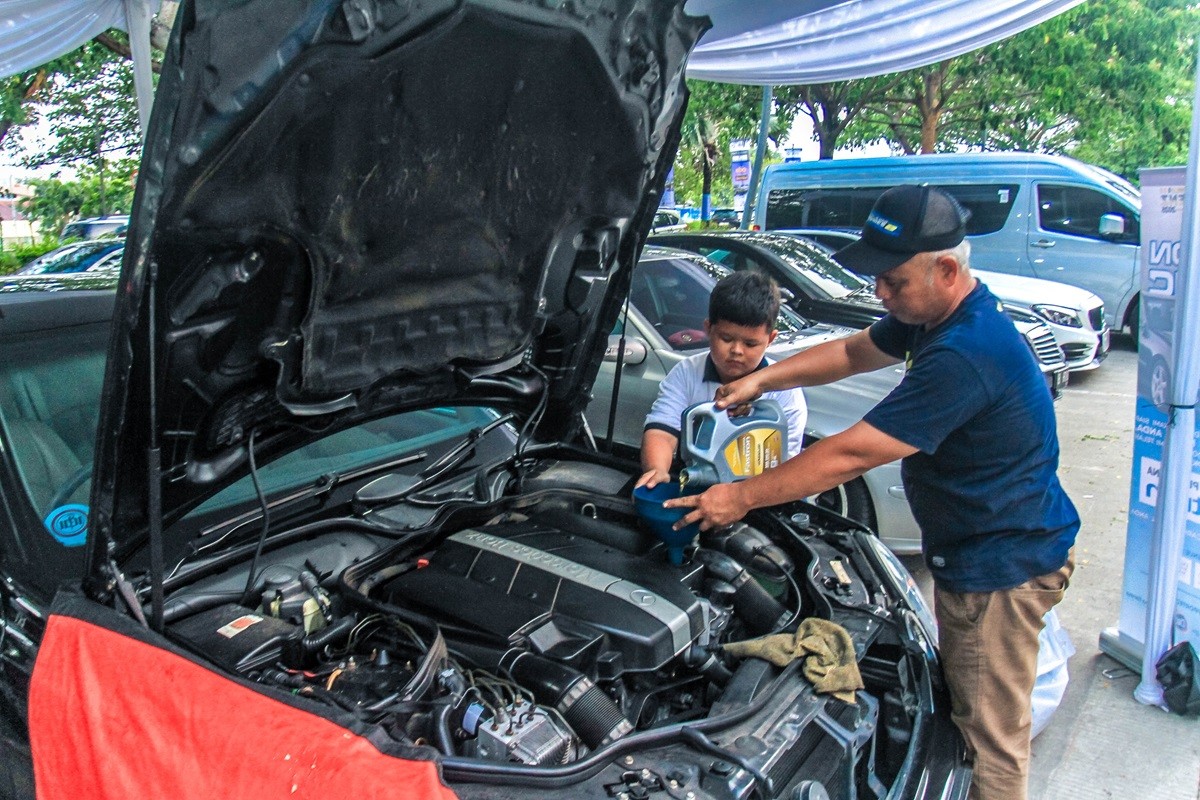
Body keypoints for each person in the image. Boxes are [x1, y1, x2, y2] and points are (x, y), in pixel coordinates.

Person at [665, 185, 1078, 800]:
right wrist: (763, 379)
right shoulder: (938, 315)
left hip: (1000, 569)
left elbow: (854, 452)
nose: (880, 293)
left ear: (945, 268)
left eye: (892, 281)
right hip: (980, 550)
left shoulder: (967, 352)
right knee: (968, 718)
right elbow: (855, 351)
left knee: (987, 741)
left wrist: (742, 496)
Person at [636, 270, 807, 489]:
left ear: (770, 339)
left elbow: (784, 466)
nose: (736, 350)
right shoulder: (686, 372)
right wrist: (657, 471)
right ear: (708, 329)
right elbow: (662, 430)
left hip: (758, 494)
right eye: (726, 338)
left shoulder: (785, 390)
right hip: (696, 485)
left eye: (750, 344)